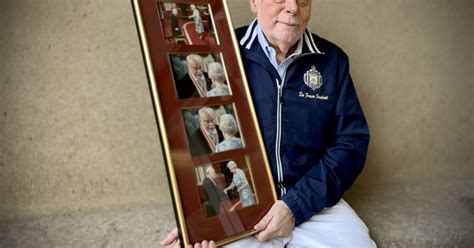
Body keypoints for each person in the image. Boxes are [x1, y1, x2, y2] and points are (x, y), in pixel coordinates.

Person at [162, 0, 375, 247]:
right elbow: (190, 141)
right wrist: (196, 218)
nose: (293, 7)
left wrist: (295, 205)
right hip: (242, 206)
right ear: (254, 2)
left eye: (302, 0)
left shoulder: (332, 60)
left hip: (312, 198)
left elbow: (350, 144)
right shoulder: (219, 52)